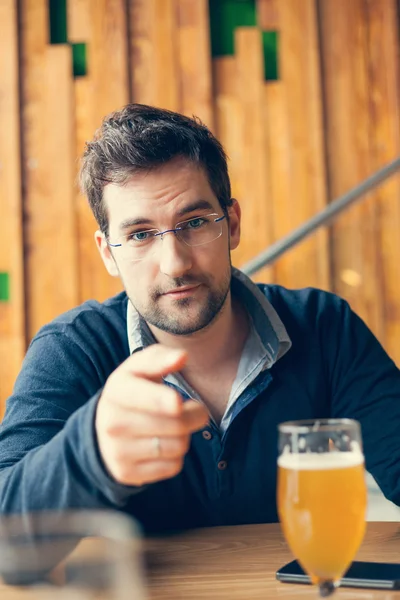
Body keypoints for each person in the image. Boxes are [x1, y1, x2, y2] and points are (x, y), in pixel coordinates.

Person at [0, 104, 399, 534]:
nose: (175, 263)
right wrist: (90, 455)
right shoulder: (73, 349)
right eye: (139, 235)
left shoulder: (324, 327)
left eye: (193, 222)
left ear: (233, 223)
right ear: (107, 252)